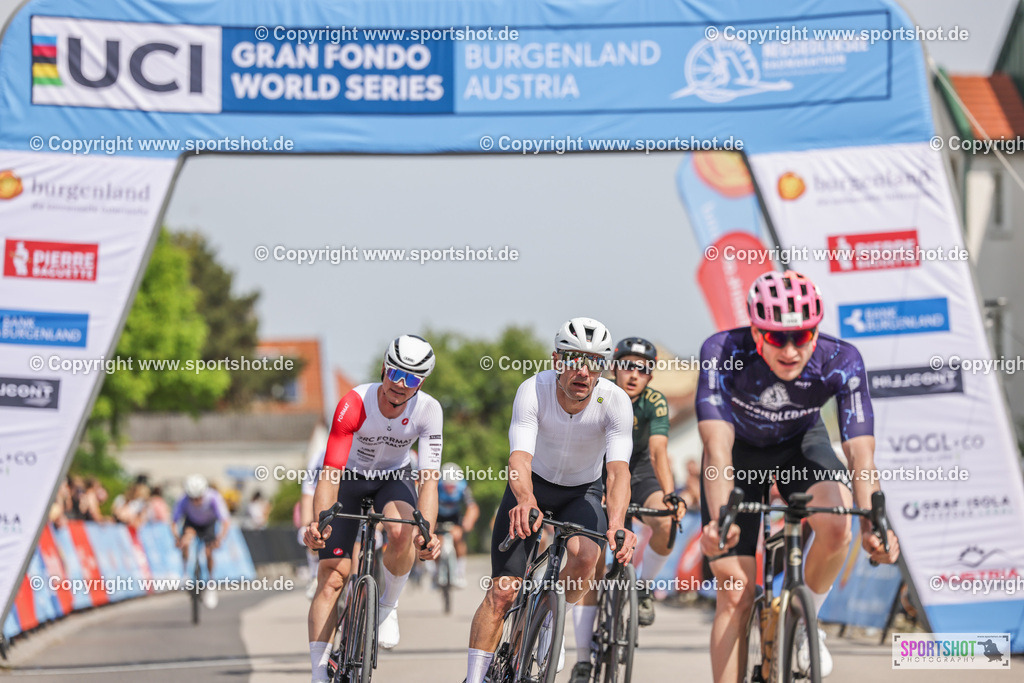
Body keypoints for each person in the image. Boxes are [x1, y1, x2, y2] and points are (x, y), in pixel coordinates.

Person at [697, 270, 900, 681]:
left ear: (816, 330)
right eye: (776, 337)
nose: (790, 350)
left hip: (800, 446)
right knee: (734, 590)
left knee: (838, 524)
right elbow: (717, 448)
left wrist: (874, 524)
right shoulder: (722, 351)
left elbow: (860, 453)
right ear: (755, 331)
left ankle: (805, 620)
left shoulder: (841, 360)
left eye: (802, 335)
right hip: (737, 453)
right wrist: (721, 519)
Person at [465, 317, 637, 683]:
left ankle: (547, 617)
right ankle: (475, 677)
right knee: (502, 593)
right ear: (557, 360)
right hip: (533, 486)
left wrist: (618, 522)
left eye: (594, 362)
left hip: (582, 490)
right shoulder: (534, 389)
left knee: (587, 556)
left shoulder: (615, 401)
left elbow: (618, 471)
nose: (583, 370)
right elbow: (519, 459)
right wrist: (525, 499)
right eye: (574, 359)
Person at [302, 334, 444, 683]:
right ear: (384, 368)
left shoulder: (429, 410)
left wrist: (428, 533)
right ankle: (319, 673)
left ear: (421, 383)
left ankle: (388, 605)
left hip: (392, 477)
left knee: (402, 532)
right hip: (347, 477)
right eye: (395, 374)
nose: (400, 384)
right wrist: (319, 523)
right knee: (332, 578)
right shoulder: (354, 402)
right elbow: (330, 472)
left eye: (412, 379)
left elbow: (428, 480)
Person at [570, 336, 685, 682]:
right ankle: (582, 658)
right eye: (627, 366)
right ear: (614, 367)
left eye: (643, 369)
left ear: (650, 376)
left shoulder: (655, 402)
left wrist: (669, 494)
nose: (634, 374)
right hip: (599, 472)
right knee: (592, 561)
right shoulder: (599, 394)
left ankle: (643, 587)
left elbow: (659, 452)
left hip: (640, 473)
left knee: (665, 523)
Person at [172, 474, 232, 608]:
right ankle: (186, 574)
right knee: (186, 540)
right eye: (192, 499)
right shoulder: (183, 500)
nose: (196, 502)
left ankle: (211, 582)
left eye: (198, 498)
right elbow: (173, 521)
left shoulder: (213, 497)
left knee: (208, 551)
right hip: (192, 523)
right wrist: (177, 538)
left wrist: (220, 539)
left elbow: (226, 521)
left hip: (208, 524)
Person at [436, 462, 480, 587]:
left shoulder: (463, 487)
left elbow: (472, 507)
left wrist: (468, 522)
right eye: (447, 486)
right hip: (438, 515)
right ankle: (436, 572)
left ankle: (460, 572)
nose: (450, 489)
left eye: (452, 486)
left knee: (458, 538)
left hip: (455, 517)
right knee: (437, 542)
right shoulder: (436, 486)